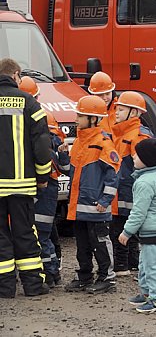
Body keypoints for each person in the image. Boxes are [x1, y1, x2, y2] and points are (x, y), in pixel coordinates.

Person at [0, 57, 53, 298]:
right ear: (16, 75)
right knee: (24, 232)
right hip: (22, 184)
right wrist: (43, 176)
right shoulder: (29, 102)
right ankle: (32, 286)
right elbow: (42, 145)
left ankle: (5, 288)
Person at [63, 95, 120, 295]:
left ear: (93, 119)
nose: (76, 119)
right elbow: (68, 169)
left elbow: (113, 176)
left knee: (101, 243)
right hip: (79, 206)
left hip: (96, 206)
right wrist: (62, 154)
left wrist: (105, 201)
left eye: (81, 115)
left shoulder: (103, 143)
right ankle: (85, 276)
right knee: (83, 244)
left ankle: (107, 278)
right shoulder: (79, 142)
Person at [119, 138, 156, 314]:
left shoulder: (144, 183)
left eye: (137, 155)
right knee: (145, 262)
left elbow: (139, 212)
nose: (134, 156)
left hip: (153, 230)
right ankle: (146, 293)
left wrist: (127, 232)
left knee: (152, 266)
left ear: (147, 160)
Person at [110, 91, 152, 277]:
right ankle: (131, 263)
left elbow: (147, 169)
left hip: (129, 192)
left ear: (134, 113)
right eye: (116, 108)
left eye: (121, 109)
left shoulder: (138, 136)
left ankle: (122, 265)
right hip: (122, 192)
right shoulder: (121, 133)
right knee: (125, 227)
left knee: (121, 229)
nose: (116, 112)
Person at [33, 111, 69, 288]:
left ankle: (48, 273)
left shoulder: (44, 147)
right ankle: (52, 273)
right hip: (49, 194)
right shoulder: (54, 144)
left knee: (41, 236)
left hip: (44, 194)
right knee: (44, 236)